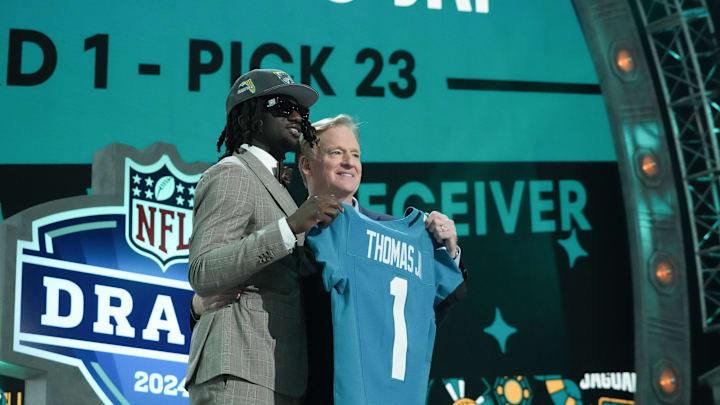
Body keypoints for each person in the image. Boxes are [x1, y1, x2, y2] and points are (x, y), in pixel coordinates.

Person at [191, 113, 468, 404]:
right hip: (300, 390)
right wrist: (199, 305)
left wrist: (448, 253)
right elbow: (249, 298)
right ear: (306, 165)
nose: (349, 162)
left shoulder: (392, 235)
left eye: (355, 154)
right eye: (337, 153)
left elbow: (425, 311)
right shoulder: (285, 232)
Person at [185, 68, 344, 405]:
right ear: (255, 117)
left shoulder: (278, 186)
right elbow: (203, 270)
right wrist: (289, 228)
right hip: (240, 369)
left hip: (278, 373)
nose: (298, 116)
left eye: (303, 111)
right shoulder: (231, 174)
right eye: (284, 106)